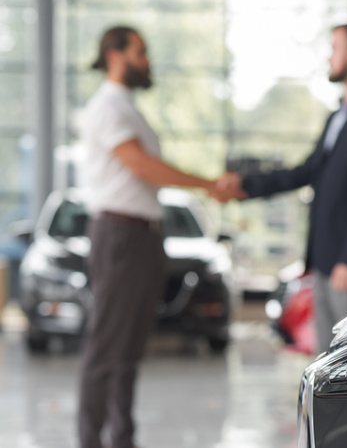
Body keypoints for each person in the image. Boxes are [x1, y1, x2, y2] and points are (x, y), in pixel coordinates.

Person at [78, 26, 237, 448]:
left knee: (129, 348)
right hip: (120, 236)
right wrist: (207, 184)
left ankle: (122, 438)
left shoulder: (128, 108)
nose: (147, 61)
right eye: (140, 53)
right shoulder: (107, 108)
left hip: (143, 237)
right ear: (115, 55)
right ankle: (90, 439)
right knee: (106, 345)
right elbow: (143, 167)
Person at [222, 23, 347, 352]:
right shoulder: (339, 116)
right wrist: (246, 186)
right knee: (327, 356)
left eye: (335, 49)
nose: (329, 58)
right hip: (324, 259)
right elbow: (307, 171)